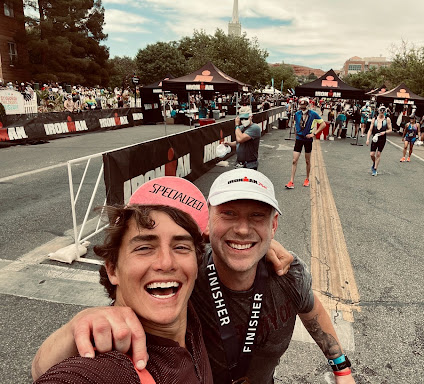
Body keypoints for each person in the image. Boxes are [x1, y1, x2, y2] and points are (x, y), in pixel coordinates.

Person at [32, 169, 356, 384]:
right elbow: (58, 374)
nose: (165, 262)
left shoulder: (287, 271)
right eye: (228, 214)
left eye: (257, 216)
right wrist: (75, 329)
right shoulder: (189, 275)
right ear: (209, 227)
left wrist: (341, 367)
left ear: (273, 226)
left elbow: (312, 309)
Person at [34, 176, 214, 383]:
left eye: (181, 247)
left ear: (196, 263)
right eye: (144, 248)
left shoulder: (190, 307)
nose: (166, 263)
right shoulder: (111, 368)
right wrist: (73, 328)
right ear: (112, 270)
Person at [285, 97, 326, 189]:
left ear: (307, 105)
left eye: (304, 106)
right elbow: (296, 126)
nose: (302, 108)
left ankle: (307, 178)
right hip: (299, 138)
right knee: (294, 160)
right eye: (301, 106)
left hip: (308, 139)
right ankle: (291, 181)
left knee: (307, 161)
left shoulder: (313, 114)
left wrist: (314, 134)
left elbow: (323, 124)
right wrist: (296, 137)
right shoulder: (297, 114)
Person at [366, 105, 392, 176]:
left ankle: (375, 169)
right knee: (372, 154)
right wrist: (368, 139)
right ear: (378, 111)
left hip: (382, 139)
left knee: (378, 154)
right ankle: (375, 162)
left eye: (383, 110)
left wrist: (385, 132)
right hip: (375, 138)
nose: (382, 112)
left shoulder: (387, 119)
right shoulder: (374, 119)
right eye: (381, 110)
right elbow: (370, 130)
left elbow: (390, 129)